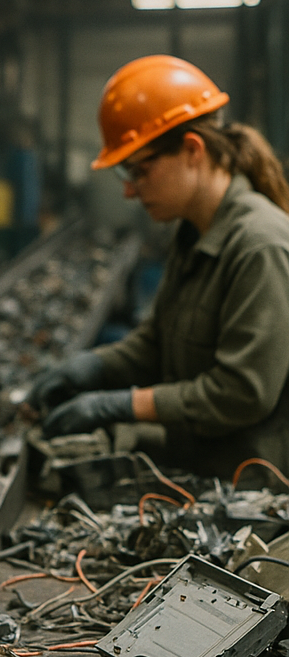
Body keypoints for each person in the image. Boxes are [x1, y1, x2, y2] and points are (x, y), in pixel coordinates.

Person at [29, 54, 289, 477]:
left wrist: (124, 404)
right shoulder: (193, 232)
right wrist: (94, 367)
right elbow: (156, 341)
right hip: (200, 472)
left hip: (253, 505)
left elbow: (244, 392)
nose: (130, 191)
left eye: (140, 171)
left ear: (192, 150)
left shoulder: (260, 246)